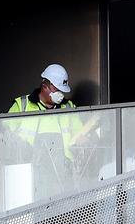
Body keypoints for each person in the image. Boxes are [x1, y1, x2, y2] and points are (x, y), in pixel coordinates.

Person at [6, 64, 82, 201]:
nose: (60, 93)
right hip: (28, 178)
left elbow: (81, 137)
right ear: (44, 85)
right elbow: (4, 135)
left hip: (63, 178)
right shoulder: (22, 105)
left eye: (62, 89)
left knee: (62, 219)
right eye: (57, 89)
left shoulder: (69, 108)